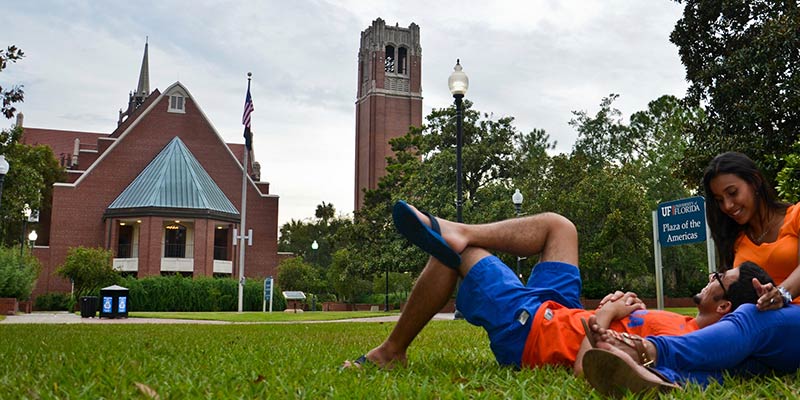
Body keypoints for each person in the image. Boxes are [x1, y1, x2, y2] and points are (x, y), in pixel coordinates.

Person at [342, 200, 763, 372]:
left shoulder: (680, 343)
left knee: (455, 257)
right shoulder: (686, 324)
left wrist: (609, 313)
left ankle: (390, 352)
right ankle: (459, 229)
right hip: (560, 311)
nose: (709, 280)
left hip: (532, 331)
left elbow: (589, 369)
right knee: (559, 227)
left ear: (724, 307)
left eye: (717, 280)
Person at [703, 151, 800, 310]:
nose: (727, 205)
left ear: (755, 181)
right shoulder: (736, 240)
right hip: (760, 327)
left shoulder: (796, 215)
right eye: (720, 200)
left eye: (732, 193)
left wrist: (781, 294)